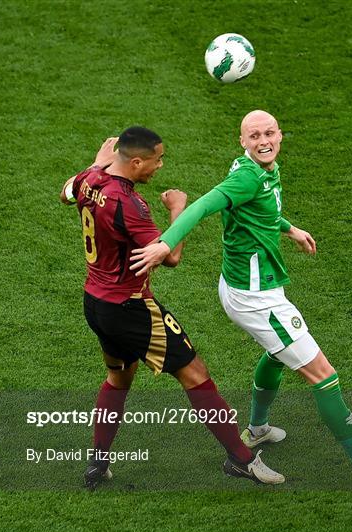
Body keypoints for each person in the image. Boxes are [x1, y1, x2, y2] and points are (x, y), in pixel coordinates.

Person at [129, 110, 352, 488]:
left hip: (246, 287)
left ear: (280, 135)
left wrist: (290, 228)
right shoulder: (246, 177)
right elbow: (201, 207)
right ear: (242, 142)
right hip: (256, 298)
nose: (263, 141)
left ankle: (258, 428)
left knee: (276, 354)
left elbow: (263, 211)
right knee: (323, 375)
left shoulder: (262, 170)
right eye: (254, 136)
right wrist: (165, 243)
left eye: (269, 133)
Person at [60, 126, 285, 489]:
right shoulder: (130, 205)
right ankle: (241, 460)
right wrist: (178, 208)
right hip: (131, 308)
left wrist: (96, 165)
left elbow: (65, 193)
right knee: (194, 373)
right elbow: (171, 256)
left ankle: (97, 465)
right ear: (134, 162)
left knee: (118, 378)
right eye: (155, 160)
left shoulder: (92, 178)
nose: (159, 166)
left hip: (96, 304)